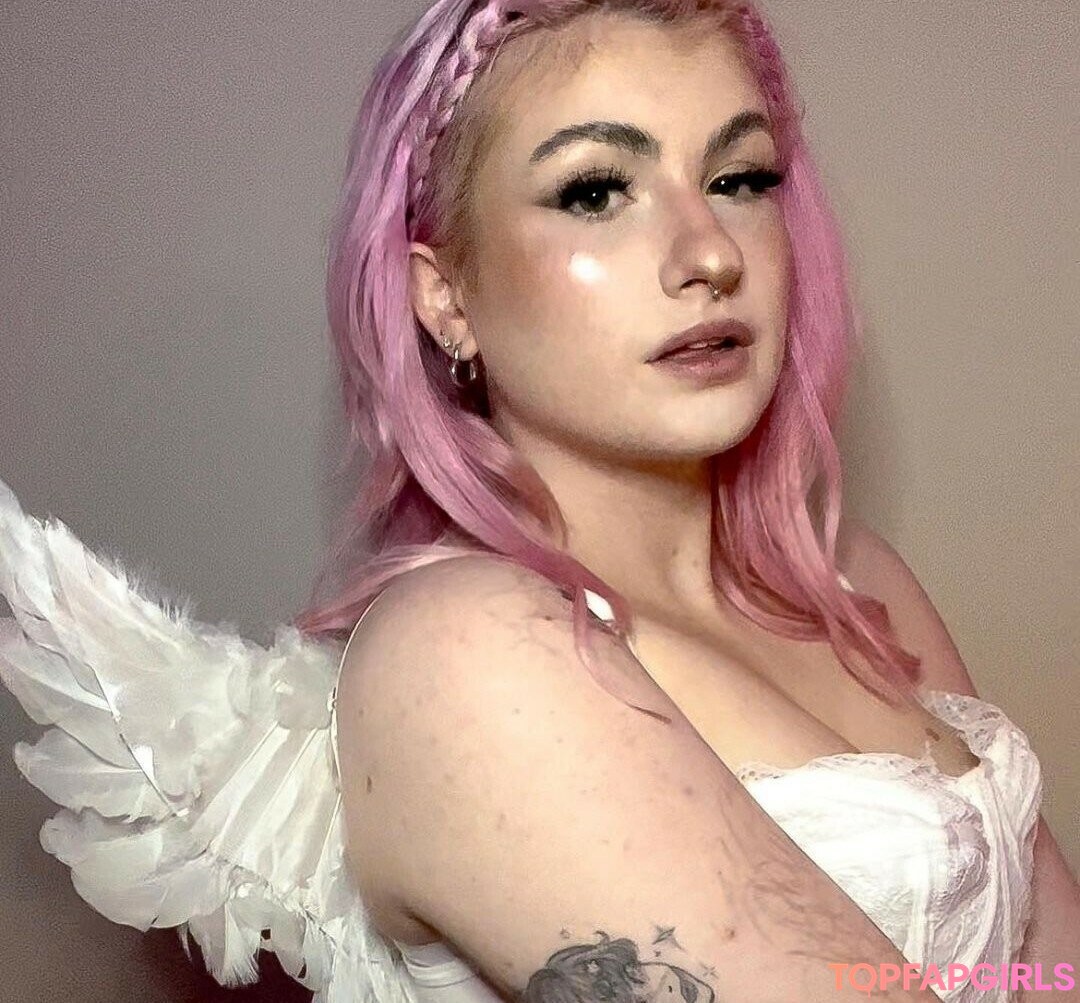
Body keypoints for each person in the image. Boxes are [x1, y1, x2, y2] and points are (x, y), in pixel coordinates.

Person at [0, 2, 1076, 1003]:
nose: (711, 253)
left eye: (740, 177)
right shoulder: (465, 654)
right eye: (595, 191)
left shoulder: (857, 581)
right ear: (445, 296)